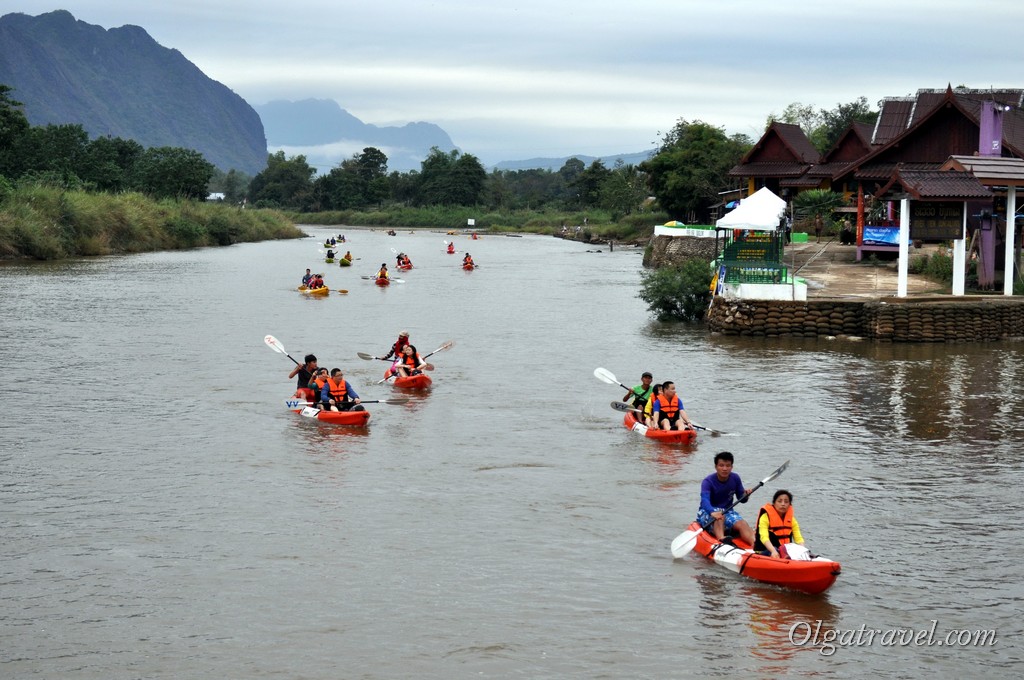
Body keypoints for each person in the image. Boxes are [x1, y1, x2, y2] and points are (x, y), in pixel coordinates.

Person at [697, 451, 755, 545]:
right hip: (708, 511)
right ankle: (722, 540)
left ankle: (755, 545)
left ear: (731, 467)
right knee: (720, 517)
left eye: (728, 466)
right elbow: (705, 501)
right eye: (721, 465)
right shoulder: (707, 481)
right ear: (716, 467)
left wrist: (746, 495)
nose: (725, 469)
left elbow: (742, 500)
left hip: (728, 511)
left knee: (742, 523)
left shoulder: (735, 478)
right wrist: (712, 512)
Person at [753, 489, 806, 558]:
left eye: (786, 502)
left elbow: (799, 538)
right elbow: (764, 537)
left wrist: (802, 550)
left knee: (795, 549)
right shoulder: (765, 517)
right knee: (775, 549)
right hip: (766, 551)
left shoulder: (792, 520)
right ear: (774, 503)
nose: (783, 504)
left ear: (790, 505)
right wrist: (773, 551)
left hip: (783, 551)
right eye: (779, 501)